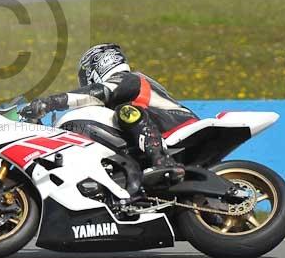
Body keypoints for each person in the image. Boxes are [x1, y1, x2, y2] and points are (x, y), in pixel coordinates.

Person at [20, 43, 194, 200]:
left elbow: (98, 92)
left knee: (125, 112)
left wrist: (49, 103)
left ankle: (161, 160)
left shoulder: (130, 79)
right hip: (157, 130)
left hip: (178, 125)